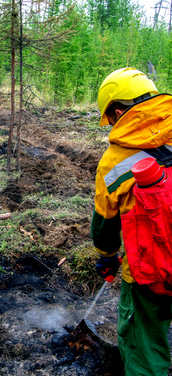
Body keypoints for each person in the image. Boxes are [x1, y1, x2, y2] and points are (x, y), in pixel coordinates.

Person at [92, 67, 172, 375]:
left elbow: (104, 226)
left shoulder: (113, 160)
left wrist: (107, 258)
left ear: (117, 110)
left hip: (148, 274)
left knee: (142, 348)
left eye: (110, 116)